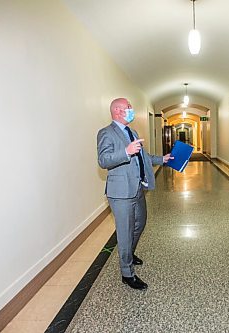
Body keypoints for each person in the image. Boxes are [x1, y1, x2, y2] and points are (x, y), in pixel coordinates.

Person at [97, 97, 172, 290]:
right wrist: (126, 151)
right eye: (128, 107)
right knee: (125, 232)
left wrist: (162, 159)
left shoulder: (132, 131)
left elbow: (143, 156)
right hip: (121, 192)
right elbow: (104, 160)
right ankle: (127, 273)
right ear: (117, 111)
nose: (131, 110)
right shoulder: (106, 133)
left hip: (137, 187)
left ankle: (129, 254)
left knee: (140, 224)